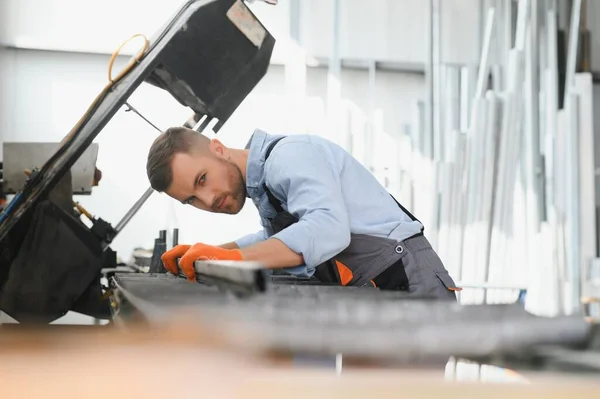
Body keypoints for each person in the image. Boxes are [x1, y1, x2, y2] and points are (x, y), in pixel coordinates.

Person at [146, 127, 459, 300]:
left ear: (218, 148)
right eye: (191, 199)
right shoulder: (264, 186)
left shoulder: (287, 157)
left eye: (202, 179)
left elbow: (326, 229)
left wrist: (230, 259)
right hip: (377, 290)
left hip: (407, 281)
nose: (208, 199)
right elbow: (277, 240)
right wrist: (215, 253)